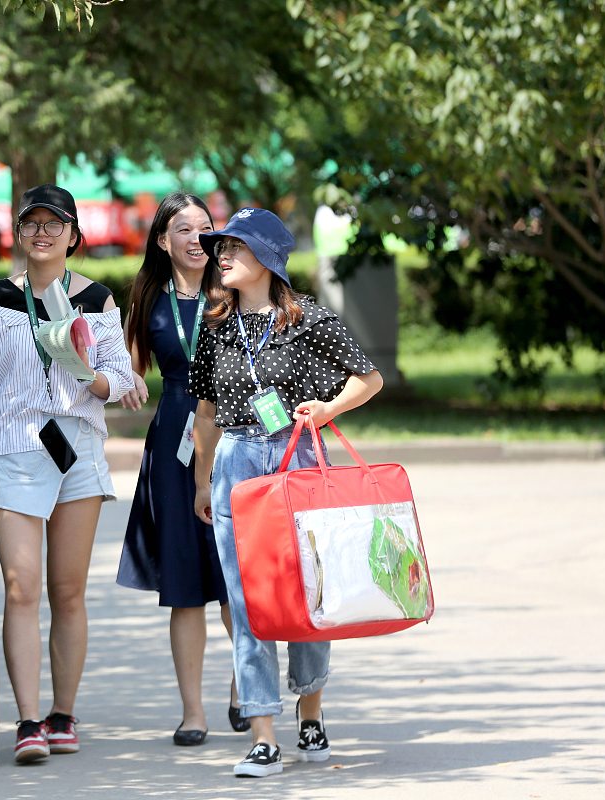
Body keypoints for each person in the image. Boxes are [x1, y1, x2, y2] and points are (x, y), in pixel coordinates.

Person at [188, 208, 383, 778]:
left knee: (306, 594)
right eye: (219, 247)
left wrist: (326, 409)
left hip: (296, 457)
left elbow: (367, 379)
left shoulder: (309, 320)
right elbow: (205, 412)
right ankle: (263, 733)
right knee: (246, 602)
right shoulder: (215, 325)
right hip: (235, 463)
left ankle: (312, 709)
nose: (221, 256)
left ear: (268, 259)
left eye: (234, 247)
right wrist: (202, 479)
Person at [0, 184, 134, 764]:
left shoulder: (98, 300)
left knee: (68, 590)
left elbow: (119, 378)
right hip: (15, 446)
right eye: (32, 224)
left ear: (74, 236)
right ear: (19, 234)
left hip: (76, 445)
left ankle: (63, 713)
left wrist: (89, 372)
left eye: (56, 224)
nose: (43, 233)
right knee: (22, 588)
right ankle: (28, 721)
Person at [115, 192, 249, 747]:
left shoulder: (238, 289)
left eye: (205, 228)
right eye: (185, 230)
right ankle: (192, 711)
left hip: (237, 436)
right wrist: (120, 378)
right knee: (185, 585)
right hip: (173, 438)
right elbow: (122, 364)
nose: (197, 239)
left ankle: (247, 687)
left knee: (234, 580)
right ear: (163, 240)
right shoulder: (148, 297)